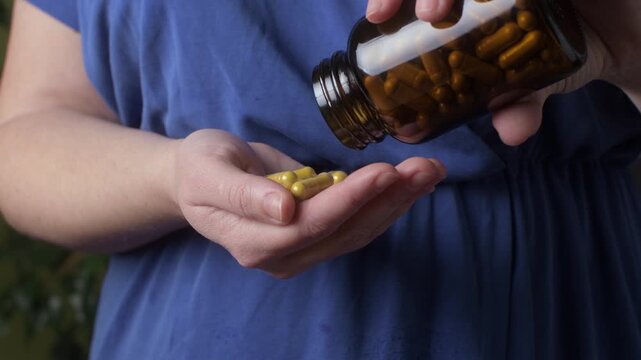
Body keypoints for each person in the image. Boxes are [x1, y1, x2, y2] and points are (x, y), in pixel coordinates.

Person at [0, 0, 639, 358]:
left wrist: (629, 47)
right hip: (196, 324)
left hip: (547, 303)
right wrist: (170, 177)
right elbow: (25, 132)